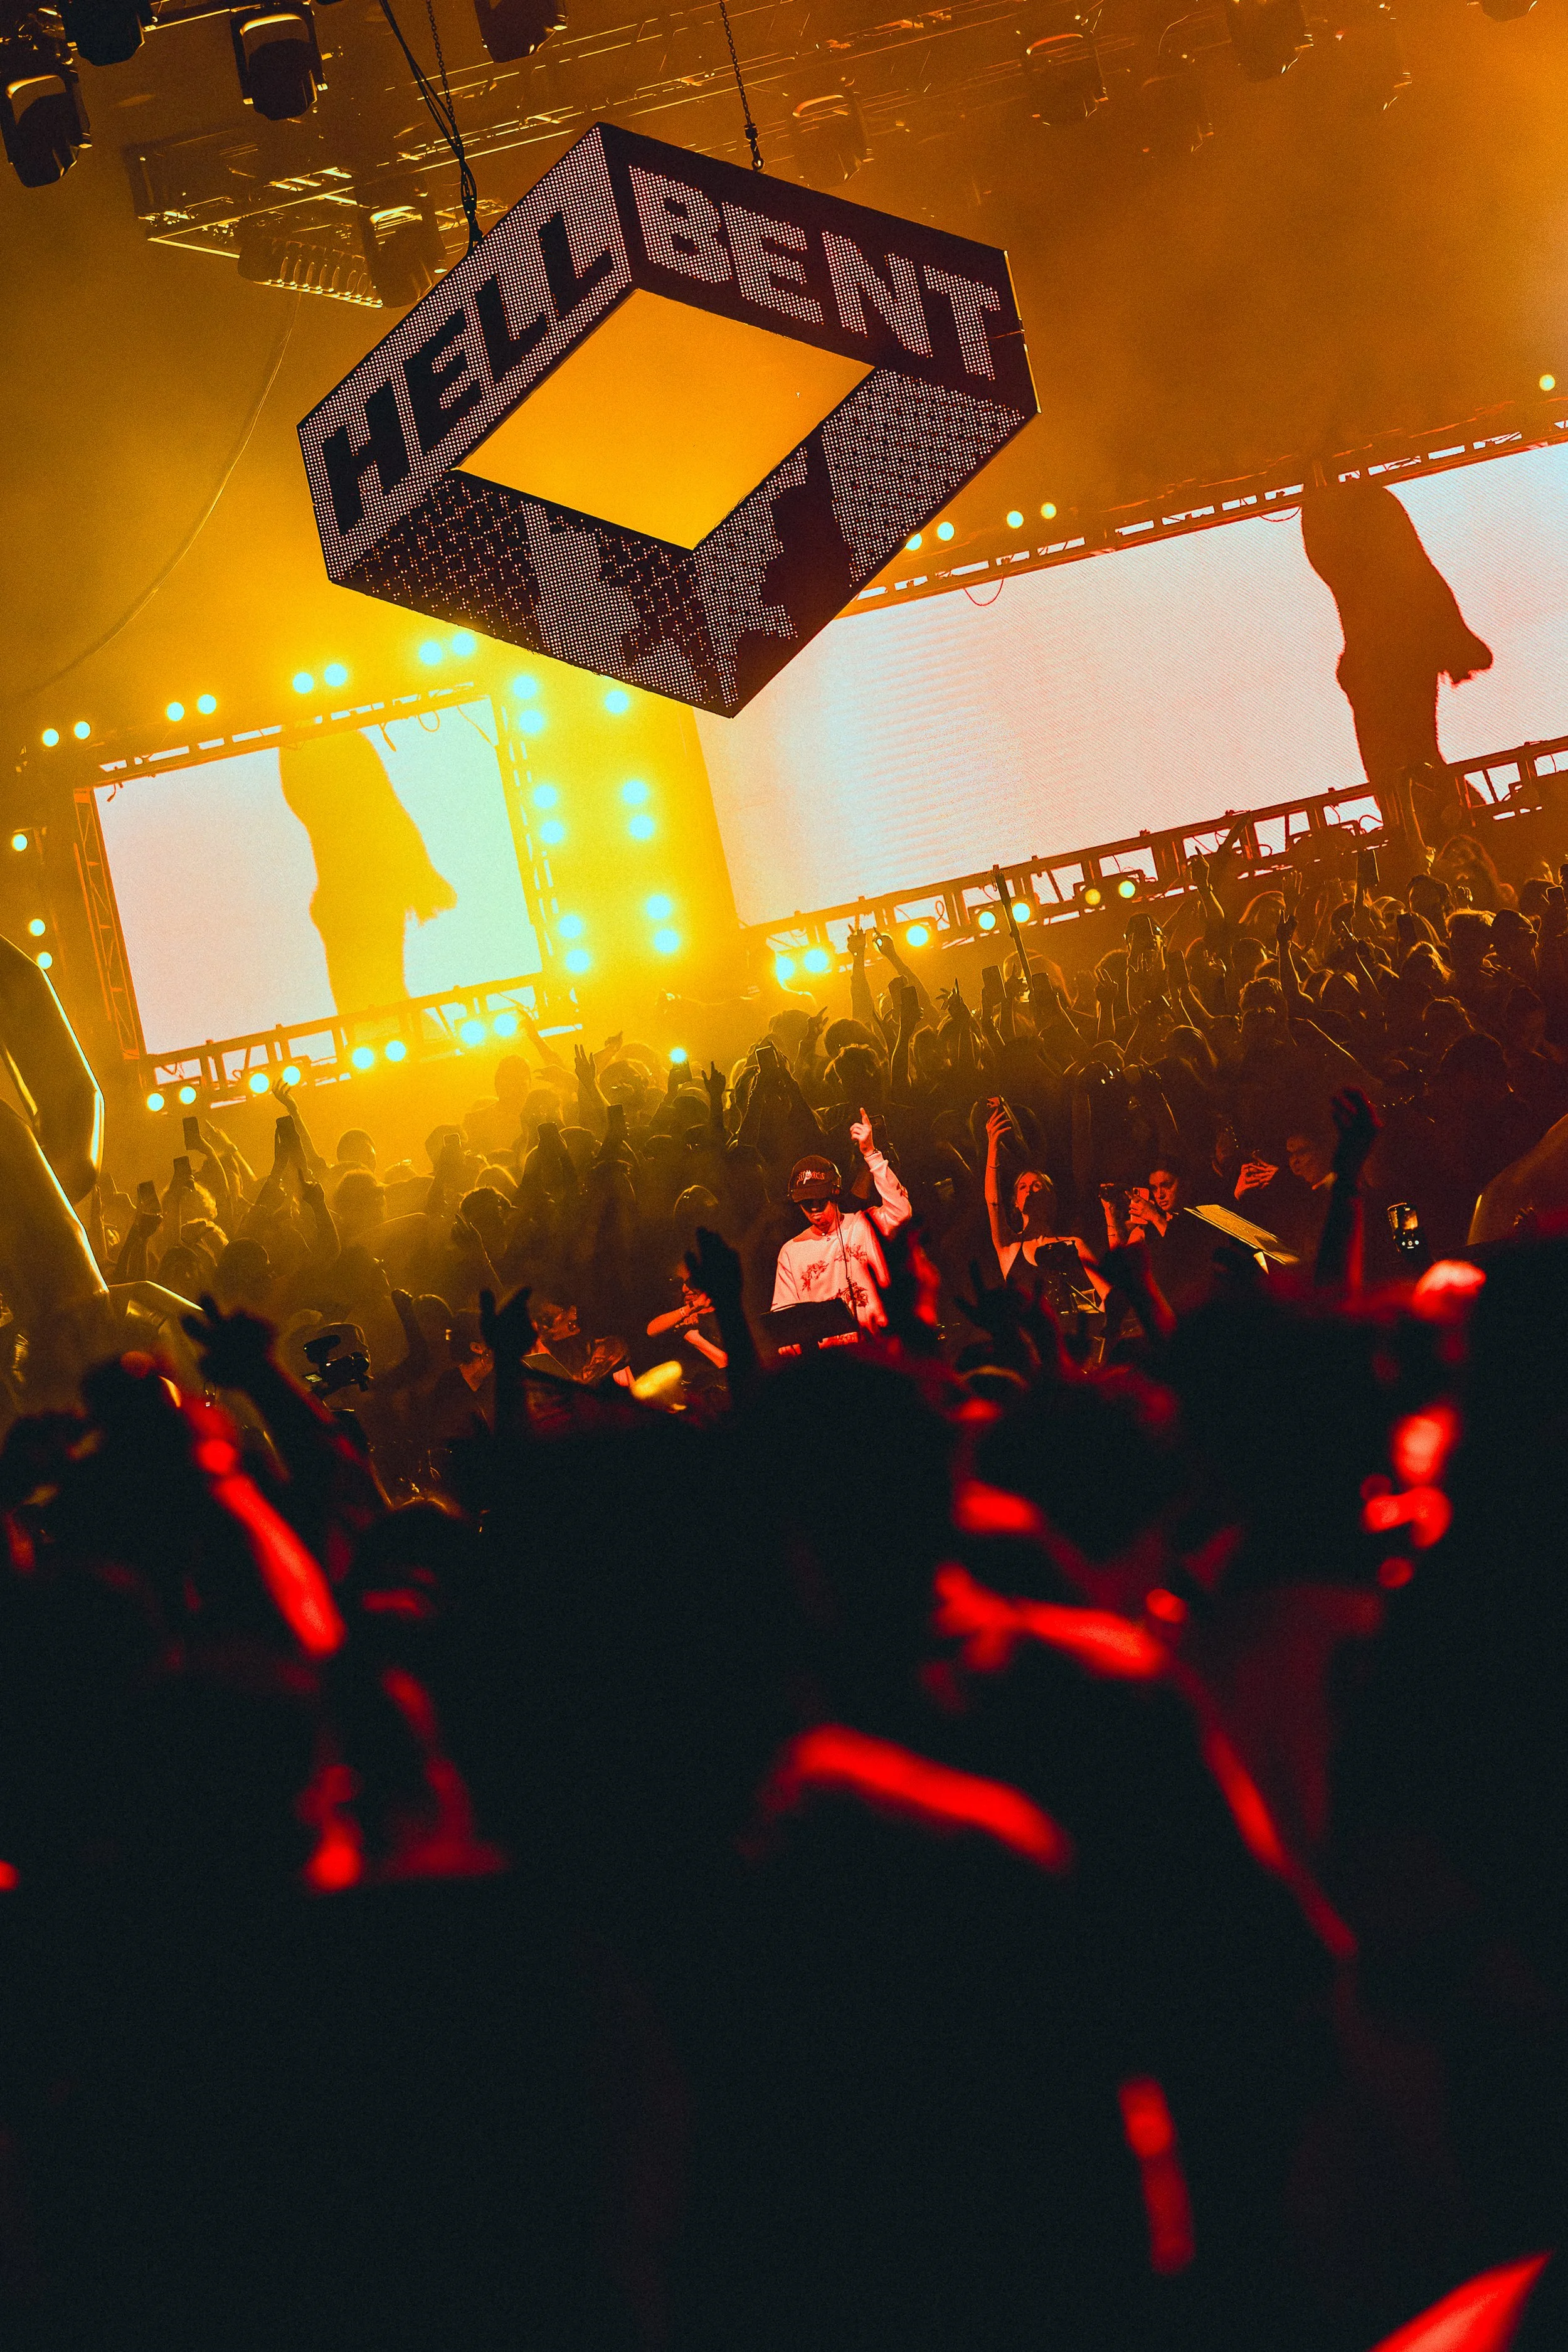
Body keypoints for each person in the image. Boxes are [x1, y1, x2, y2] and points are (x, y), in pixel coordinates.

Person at [771, 1108, 910, 1332]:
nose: (814, 1208)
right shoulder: (791, 1253)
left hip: (881, 1351)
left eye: (819, 1200)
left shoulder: (865, 1225)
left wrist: (871, 1153)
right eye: (807, 1203)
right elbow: (785, 1320)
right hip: (833, 1362)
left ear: (835, 1192)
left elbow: (901, 1211)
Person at [983, 1104, 1106, 1317]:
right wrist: (993, 1146)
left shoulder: (1073, 1244)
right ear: (1015, 1202)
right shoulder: (1009, 1246)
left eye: (1037, 1185)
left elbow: (1109, 1294)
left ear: (1050, 1197)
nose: (1029, 1190)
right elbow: (993, 1203)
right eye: (1022, 1187)